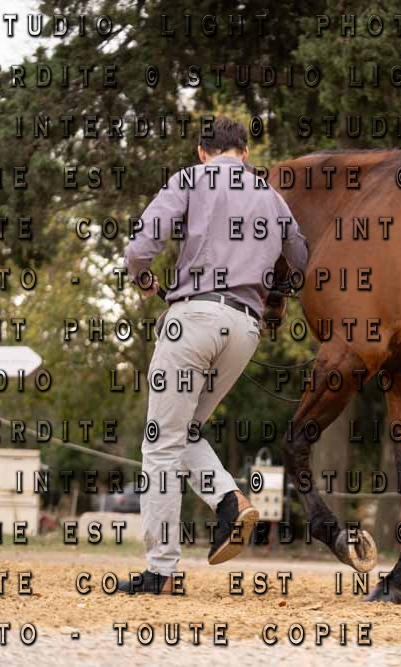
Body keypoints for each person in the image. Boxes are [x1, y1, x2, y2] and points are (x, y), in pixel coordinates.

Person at [118, 117, 309, 594]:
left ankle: (161, 571)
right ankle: (228, 501)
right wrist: (275, 289)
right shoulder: (270, 196)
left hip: (194, 318)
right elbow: (302, 258)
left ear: (203, 152)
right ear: (245, 151)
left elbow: (140, 247)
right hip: (245, 328)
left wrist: (144, 278)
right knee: (185, 431)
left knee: (161, 444)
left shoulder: (191, 178)